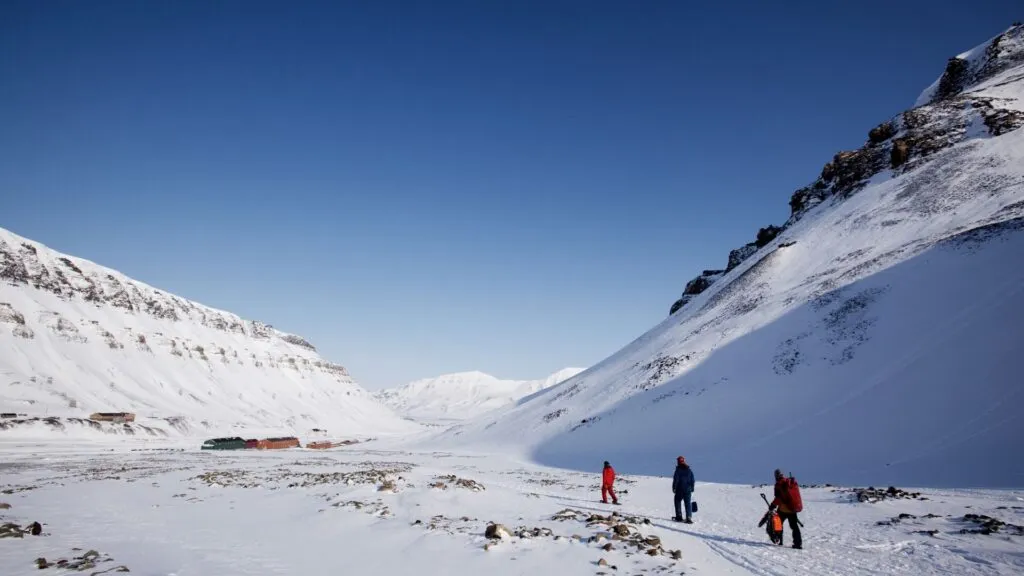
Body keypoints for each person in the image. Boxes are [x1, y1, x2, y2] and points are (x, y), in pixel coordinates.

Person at [768, 468, 803, 549]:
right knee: (794, 526)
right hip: (792, 508)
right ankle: (798, 544)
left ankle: (779, 540)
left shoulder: (778, 484)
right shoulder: (789, 482)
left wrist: (772, 505)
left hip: (783, 509)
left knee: (778, 524)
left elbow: (778, 498)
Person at [672, 456, 695, 523]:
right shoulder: (689, 470)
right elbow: (692, 480)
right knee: (688, 503)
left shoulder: (678, 470)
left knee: (677, 501)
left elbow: (676, 480)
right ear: (684, 461)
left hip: (680, 489)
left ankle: (679, 516)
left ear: (678, 462)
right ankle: (688, 518)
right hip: (688, 489)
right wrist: (692, 488)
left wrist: (674, 488)